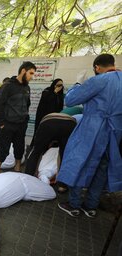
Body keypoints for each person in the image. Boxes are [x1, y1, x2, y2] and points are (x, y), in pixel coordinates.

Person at [57, 54, 122, 218]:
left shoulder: (99, 80)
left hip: (93, 129)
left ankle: (74, 204)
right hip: (115, 131)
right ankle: (91, 206)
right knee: (103, 168)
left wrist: (78, 83)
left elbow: (71, 100)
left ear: (97, 67)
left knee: (80, 162)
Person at [0, 61, 37, 175]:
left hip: (21, 125)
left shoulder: (27, 88)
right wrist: (2, 123)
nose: (32, 76)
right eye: (31, 73)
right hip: (7, 124)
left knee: (19, 147)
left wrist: (25, 120)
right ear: (23, 71)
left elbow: (27, 105)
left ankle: (17, 168)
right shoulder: (7, 86)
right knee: (3, 149)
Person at [25, 113, 78, 178]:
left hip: (49, 123)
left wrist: (35, 172)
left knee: (36, 152)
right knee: (64, 154)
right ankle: (62, 185)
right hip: (69, 124)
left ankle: (28, 177)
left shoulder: (44, 123)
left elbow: (38, 152)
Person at [30, 78, 64, 147]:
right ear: (54, 84)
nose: (59, 87)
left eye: (61, 85)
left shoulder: (60, 95)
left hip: (54, 119)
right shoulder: (46, 91)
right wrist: (54, 92)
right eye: (58, 85)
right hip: (43, 118)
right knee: (39, 135)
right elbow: (47, 101)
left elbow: (60, 107)